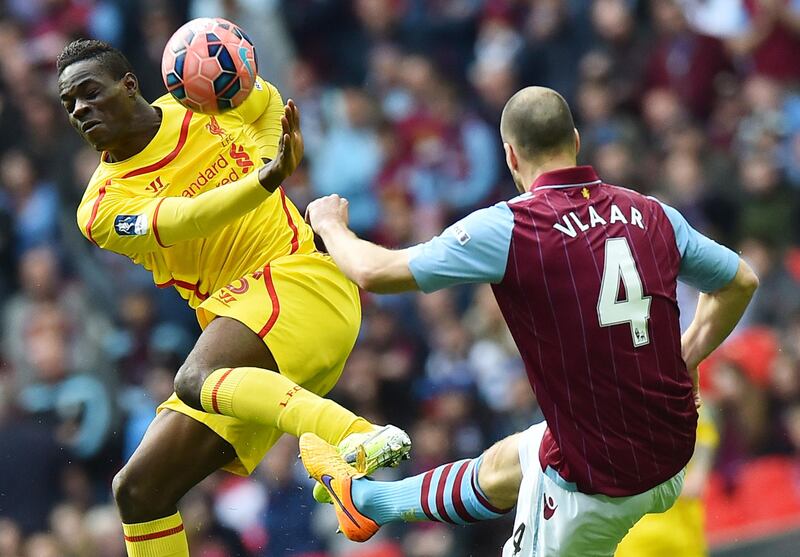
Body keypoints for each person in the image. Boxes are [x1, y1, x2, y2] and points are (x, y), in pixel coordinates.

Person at [300, 86, 758, 556]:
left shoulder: (513, 228)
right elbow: (740, 281)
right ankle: (367, 501)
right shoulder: (652, 213)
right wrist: (686, 355)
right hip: (670, 448)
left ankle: (367, 501)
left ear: (510, 156)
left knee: (546, 464)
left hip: (597, 483)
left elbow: (374, 272)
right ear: (576, 140)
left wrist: (332, 226)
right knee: (515, 458)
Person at [56, 39, 410, 557]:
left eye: (89, 93)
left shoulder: (198, 99)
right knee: (139, 490)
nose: (81, 111)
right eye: (70, 105)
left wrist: (271, 153)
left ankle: (352, 432)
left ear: (129, 85)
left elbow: (265, 101)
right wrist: (266, 178)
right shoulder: (103, 206)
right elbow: (186, 218)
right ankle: (330, 458)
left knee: (193, 379)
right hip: (251, 353)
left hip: (301, 279)